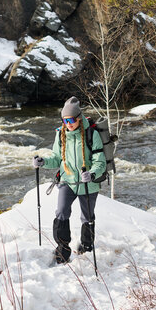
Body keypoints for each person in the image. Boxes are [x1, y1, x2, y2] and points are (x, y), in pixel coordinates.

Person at [33, 96, 106, 264]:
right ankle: (63, 249)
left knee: (87, 216)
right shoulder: (61, 135)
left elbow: (99, 162)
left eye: (72, 119)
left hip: (88, 183)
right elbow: (57, 158)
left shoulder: (91, 134)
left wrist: (92, 174)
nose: (69, 123)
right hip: (68, 181)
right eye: (65, 120)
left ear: (79, 118)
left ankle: (87, 247)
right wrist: (43, 162)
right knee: (61, 212)